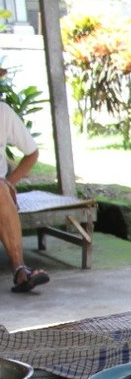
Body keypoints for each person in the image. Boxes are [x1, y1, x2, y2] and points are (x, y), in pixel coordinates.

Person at [0, 73, 48, 293]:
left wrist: (11, 182)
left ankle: (20, 270)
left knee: (0, 190)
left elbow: (31, 153)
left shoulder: (3, 113)